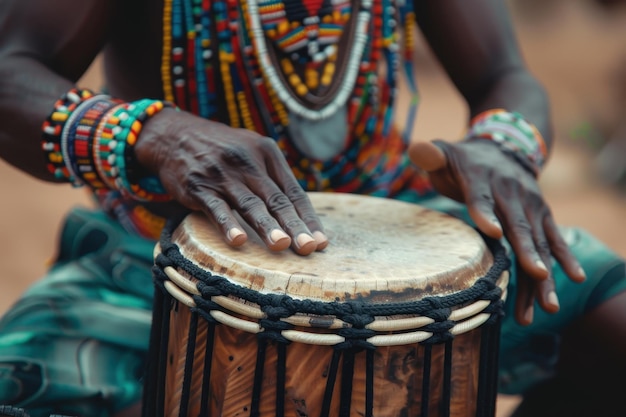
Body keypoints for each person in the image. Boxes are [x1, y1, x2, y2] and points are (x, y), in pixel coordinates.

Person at [0, 0, 624, 416]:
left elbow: (503, 73)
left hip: (397, 236)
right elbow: (11, 73)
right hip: (159, 259)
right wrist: (157, 136)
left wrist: (502, 148)